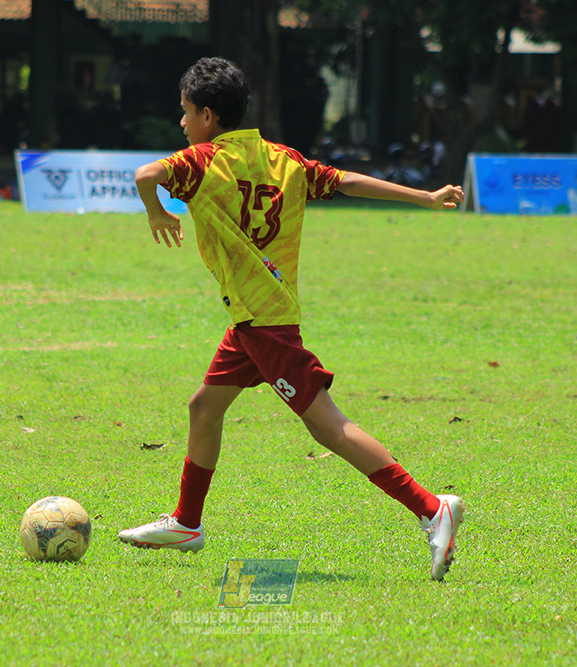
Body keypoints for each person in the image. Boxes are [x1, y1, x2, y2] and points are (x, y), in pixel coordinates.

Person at [119, 57, 466, 581]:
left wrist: (155, 210)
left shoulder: (204, 161)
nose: (182, 122)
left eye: (186, 112)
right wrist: (424, 196)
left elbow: (146, 175)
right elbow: (347, 181)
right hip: (254, 317)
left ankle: (431, 508)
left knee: (329, 428)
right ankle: (187, 523)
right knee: (204, 408)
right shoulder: (283, 159)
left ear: (208, 116)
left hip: (265, 323)